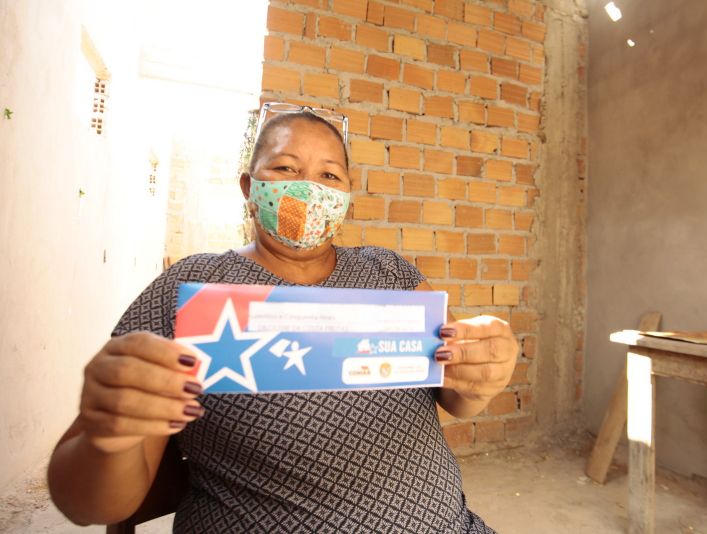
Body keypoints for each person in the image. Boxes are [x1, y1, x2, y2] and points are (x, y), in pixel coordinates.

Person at [48, 103, 519, 533]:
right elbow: (87, 505)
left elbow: (457, 396)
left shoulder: (390, 274)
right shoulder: (193, 290)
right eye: (285, 167)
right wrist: (109, 435)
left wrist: (482, 376)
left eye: (330, 176)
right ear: (250, 187)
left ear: (348, 196)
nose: (309, 190)